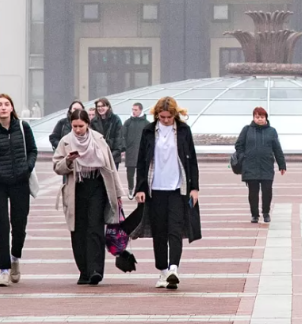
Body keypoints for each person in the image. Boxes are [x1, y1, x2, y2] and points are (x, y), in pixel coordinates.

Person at [133, 96, 200, 290]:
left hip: (178, 189)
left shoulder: (184, 131)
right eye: (161, 117)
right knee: (159, 232)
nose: (165, 120)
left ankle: (173, 269)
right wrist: (140, 188)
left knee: (175, 230)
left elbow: (192, 161)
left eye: (168, 117)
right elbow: (141, 162)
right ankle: (162, 270)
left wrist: (194, 188)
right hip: (155, 190)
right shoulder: (148, 131)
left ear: (175, 115)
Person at [0, 93, 38, 287]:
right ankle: (3, 270)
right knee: (2, 225)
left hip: (20, 182)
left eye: (6, 104)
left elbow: (33, 151)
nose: (3, 107)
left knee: (19, 225)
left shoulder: (22, 127)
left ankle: (15, 257)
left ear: (12, 108)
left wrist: (26, 168)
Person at [53, 109, 122, 285]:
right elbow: (57, 166)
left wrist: (118, 193)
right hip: (76, 187)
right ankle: (84, 270)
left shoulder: (98, 140)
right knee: (78, 230)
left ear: (87, 124)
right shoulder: (66, 142)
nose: (77, 130)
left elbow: (110, 167)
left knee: (95, 228)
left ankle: (95, 270)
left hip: (97, 186)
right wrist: (68, 161)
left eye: (81, 126)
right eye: (74, 126)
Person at [235, 107, 286, 224]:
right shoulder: (247, 130)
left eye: (262, 117)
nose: (259, 119)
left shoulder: (272, 131)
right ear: (253, 117)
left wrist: (281, 165)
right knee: (253, 193)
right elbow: (239, 145)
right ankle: (254, 215)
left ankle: (266, 213)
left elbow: (277, 149)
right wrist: (243, 156)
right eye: (257, 117)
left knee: (267, 191)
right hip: (250, 166)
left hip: (266, 166)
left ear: (266, 118)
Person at [121, 102, 150, 196]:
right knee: (130, 173)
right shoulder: (128, 122)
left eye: (135, 110)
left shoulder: (146, 123)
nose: (133, 111)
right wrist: (123, 148)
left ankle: (140, 189)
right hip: (130, 151)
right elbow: (122, 136)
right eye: (132, 109)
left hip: (143, 152)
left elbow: (150, 138)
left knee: (141, 172)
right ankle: (130, 188)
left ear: (141, 110)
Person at [91, 97, 124, 169]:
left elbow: (118, 141)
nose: (100, 108)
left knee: (111, 179)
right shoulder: (94, 121)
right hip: (98, 158)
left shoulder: (116, 119)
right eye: (98, 106)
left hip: (113, 158)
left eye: (103, 106)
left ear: (108, 107)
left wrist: (110, 157)